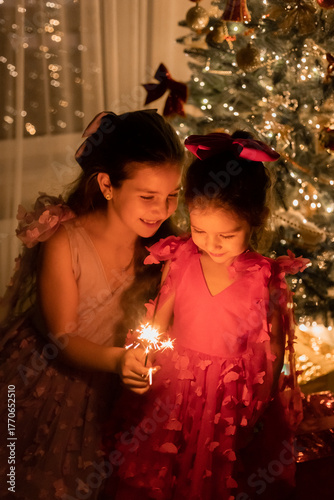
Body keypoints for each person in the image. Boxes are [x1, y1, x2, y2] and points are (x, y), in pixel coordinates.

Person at [114, 131, 310, 500]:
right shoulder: (182, 258)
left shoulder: (263, 278)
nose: (211, 243)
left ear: (256, 220)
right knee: (162, 465)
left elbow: (274, 349)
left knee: (210, 475)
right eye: (200, 230)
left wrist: (260, 402)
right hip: (175, 387)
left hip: (227, 399)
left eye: (227, 234)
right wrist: (144, 354)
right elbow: (160, 316)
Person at [0, 109, 185, 500]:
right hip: (48, 382)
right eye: (148, 196)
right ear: (107, 185)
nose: (162, 210)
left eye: (172, 196)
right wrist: (119, 361)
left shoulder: (165, 251)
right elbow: (63, 336)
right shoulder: (64, 240)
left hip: (116, 393)